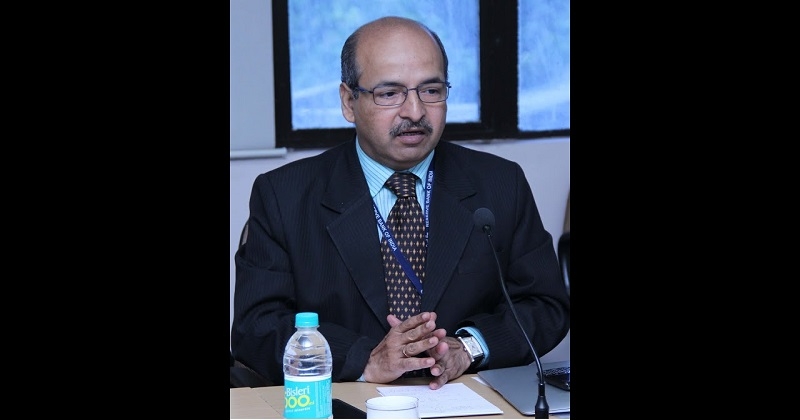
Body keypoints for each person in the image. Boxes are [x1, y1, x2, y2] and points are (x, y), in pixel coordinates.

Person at [231, 16, 570, 390]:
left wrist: (468, 347)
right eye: (389, 93)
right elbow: (256, 327)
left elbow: (545, 305)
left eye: (431, 90)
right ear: (348, 102)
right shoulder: (284, 195)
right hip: (346, 399)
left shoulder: (500, 184)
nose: (415, 112)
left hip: (466, 399)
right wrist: (365, 358)